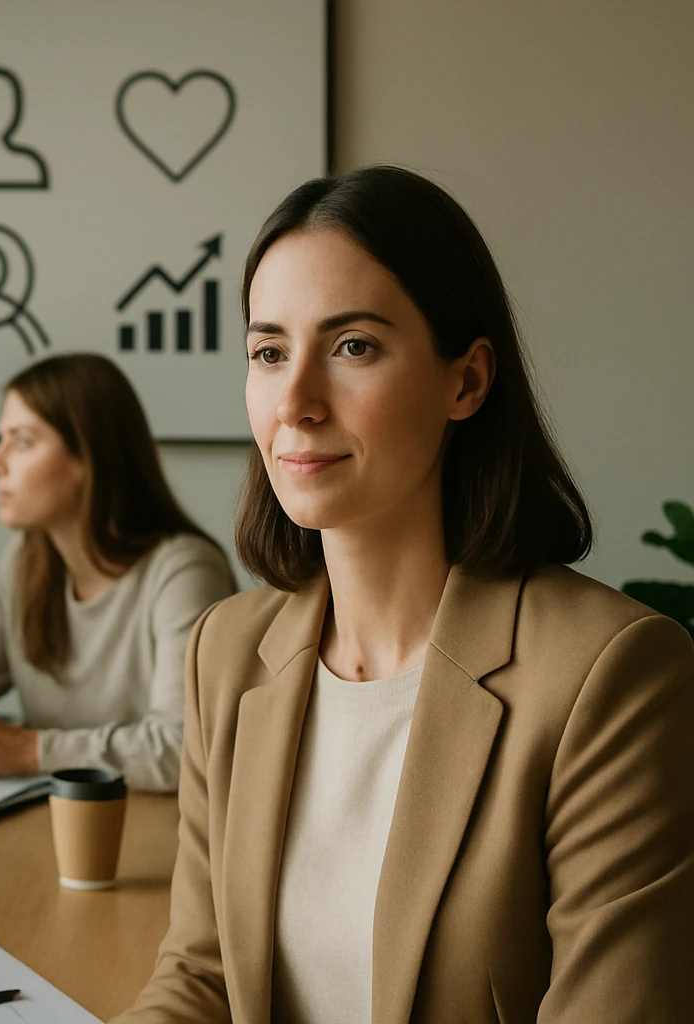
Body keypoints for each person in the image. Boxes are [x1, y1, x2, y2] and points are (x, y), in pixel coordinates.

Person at [115, 166, 694, 1024]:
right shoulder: (225, 652)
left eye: (353, 346)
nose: (296, 403)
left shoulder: (611, 676)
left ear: (466, 381)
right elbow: (201, 977)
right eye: (269, 352)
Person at [0, 353, 236, 792]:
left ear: (89, 457)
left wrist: (26, 750)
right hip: (44, 827)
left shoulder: (184, 570)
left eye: (23, 441)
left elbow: (183, 747)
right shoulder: (24, 563)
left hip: (155, 839)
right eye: (1, 439)